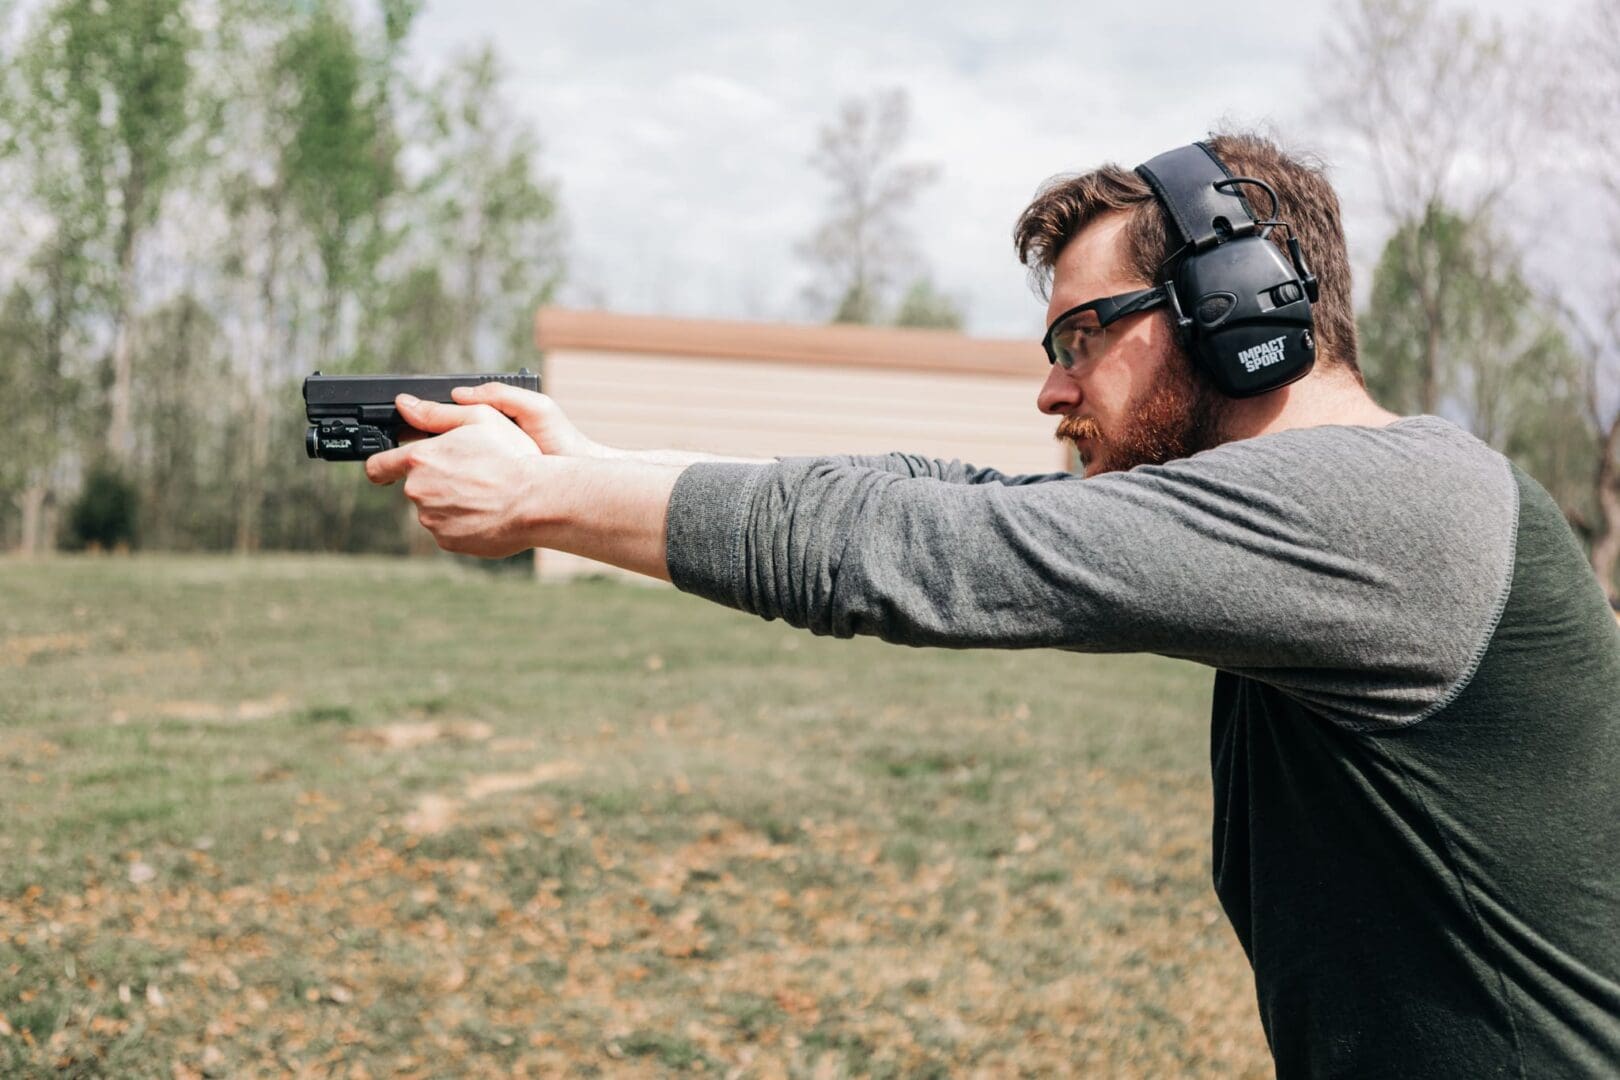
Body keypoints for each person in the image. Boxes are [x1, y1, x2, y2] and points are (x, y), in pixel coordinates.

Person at [364, 131, 1620, 1077]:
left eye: (1081, 336)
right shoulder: (1333, 511)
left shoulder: (1387, 509)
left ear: (1234, 305)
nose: (1054, 390)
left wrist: (547, 507)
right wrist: (582, 463)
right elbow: (936, 492)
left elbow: (938, 548)